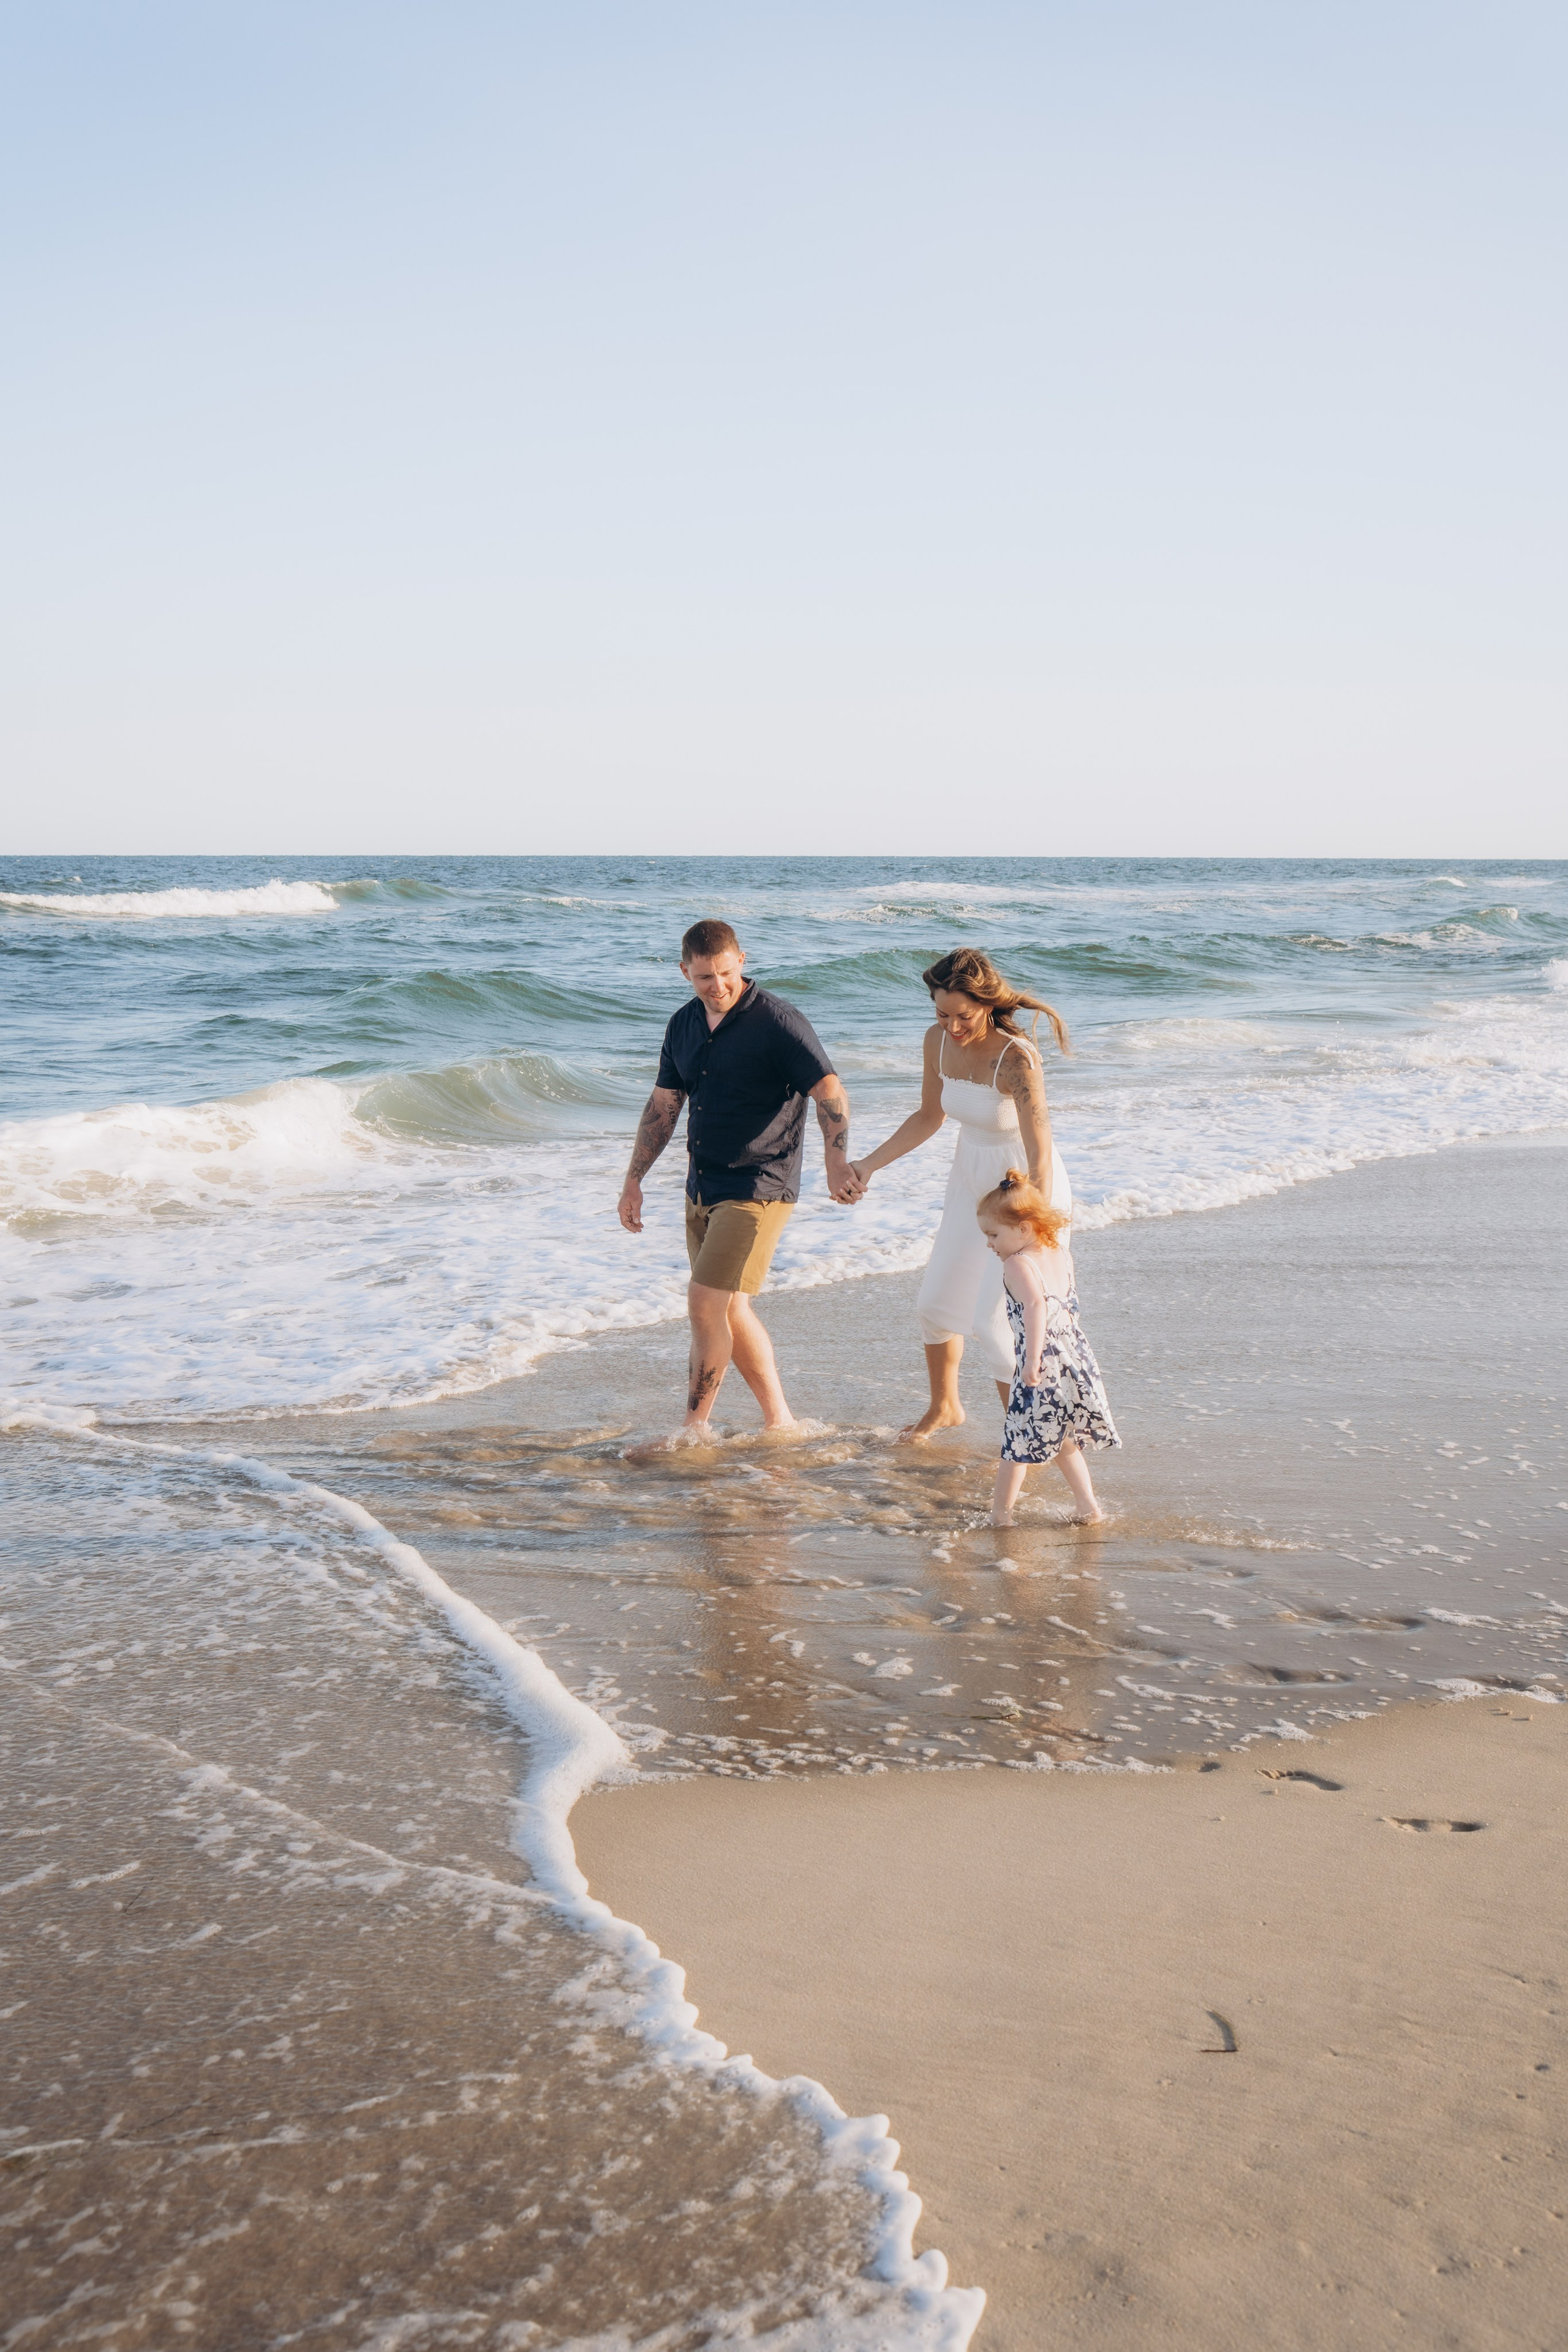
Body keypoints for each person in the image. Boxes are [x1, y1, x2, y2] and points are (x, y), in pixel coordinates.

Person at [617, 918, 854, 1434]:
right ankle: (781, 1421)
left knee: (704, 1303)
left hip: (759, 1187)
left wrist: (836, 1161)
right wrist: (634, 1179)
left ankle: (693, 1428)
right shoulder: (681, 1025)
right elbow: (664, 1106)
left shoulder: (778, 1022)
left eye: (725, 973)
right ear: (685, 972)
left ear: (741, 961)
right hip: (703, 1186)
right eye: (705, 977)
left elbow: (830, 1091)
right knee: (730, 1309)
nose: (718, 986)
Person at [843, 948, 1072, 1439]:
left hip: (1018, 1191)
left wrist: (1032, 1223)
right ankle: (945, 1407)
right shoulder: (937, 1041)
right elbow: (930, 1116)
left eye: (962, 1016)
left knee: (995, 1323)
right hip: (969, 1179)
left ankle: (1026, 1437)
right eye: (941, 1014)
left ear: (987, 1004)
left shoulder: (1017, 1060)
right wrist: (866, 1166)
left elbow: (1041, 1152)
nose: (951, 1027)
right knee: (935, 1304)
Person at [978, 1168, 1119, 1526]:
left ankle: (1001, 1516)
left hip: (1041, 1361)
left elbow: (1036, 1307)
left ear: (1023, 1228)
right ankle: (1088, 1507)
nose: (989, 1244)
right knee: (1062, 1436)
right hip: (1074, 1357)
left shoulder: (1017, 1264)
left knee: (1017, 1442)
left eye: (993, 1235)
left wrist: (1032, 1361)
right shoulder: (1060, 1254)